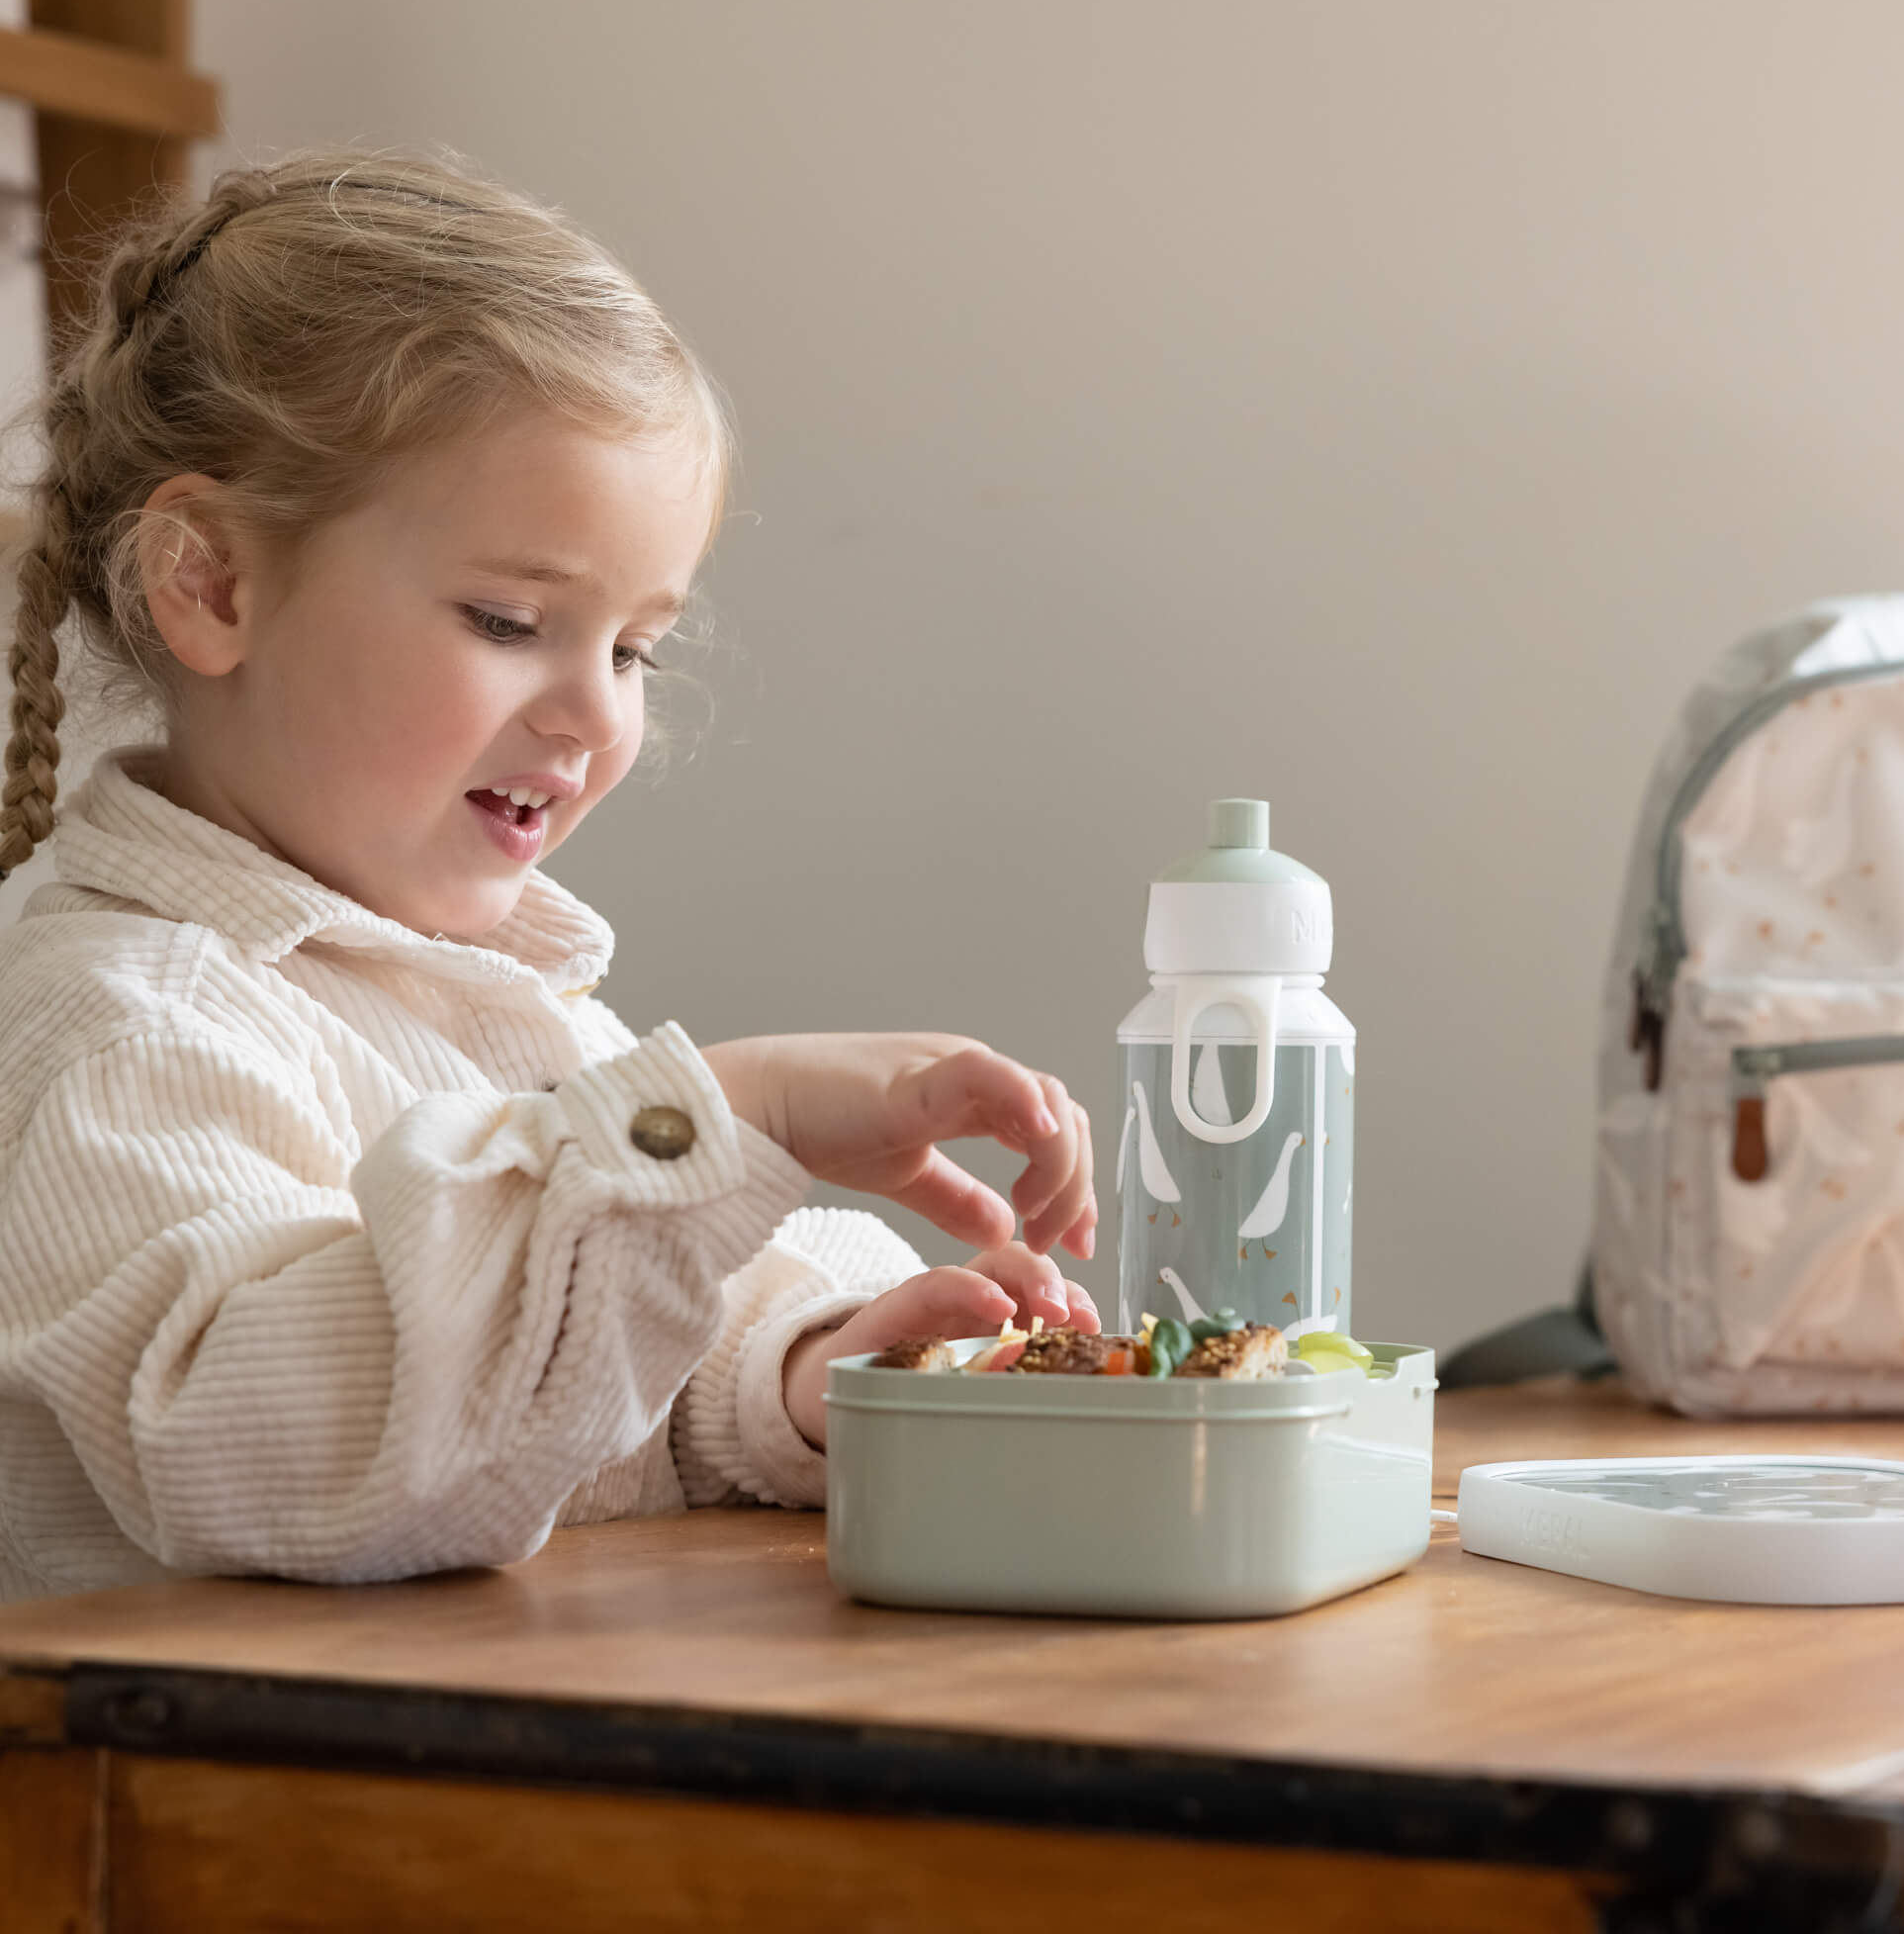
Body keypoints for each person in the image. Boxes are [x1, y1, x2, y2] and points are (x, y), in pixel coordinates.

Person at [0, 146, 1099, 1603]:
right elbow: (325, 1454)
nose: (596, 714)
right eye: (510, 619)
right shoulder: (126, 1028)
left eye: (636, 649)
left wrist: (807, 1373)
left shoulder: (505, 1007)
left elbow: (579, 1389)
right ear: (209, 583)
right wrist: (725, 1116)